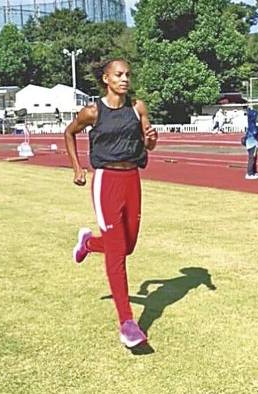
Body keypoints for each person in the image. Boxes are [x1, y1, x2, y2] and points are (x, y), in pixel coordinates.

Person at [63, 59, 158, 349]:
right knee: (117, 252)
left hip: (133, 180)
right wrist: (78, 169)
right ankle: (127, 323)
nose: (125, 79)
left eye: (128, 74)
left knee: (127, 246)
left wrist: (152, 139)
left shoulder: (137, 108)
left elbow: (149, 143)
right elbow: (69, 133)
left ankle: (89, 243)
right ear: (106, 78)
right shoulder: (93, 111)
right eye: (119, 75)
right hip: (107, 181)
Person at [243, 106, 258, 180]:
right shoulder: (252, 125)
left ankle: (254, 172)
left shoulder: (250, 124)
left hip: (250, 143)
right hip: (252, 144)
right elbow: (254, 133)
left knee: (254, 158)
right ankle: (249, 173)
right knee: (252, 158)